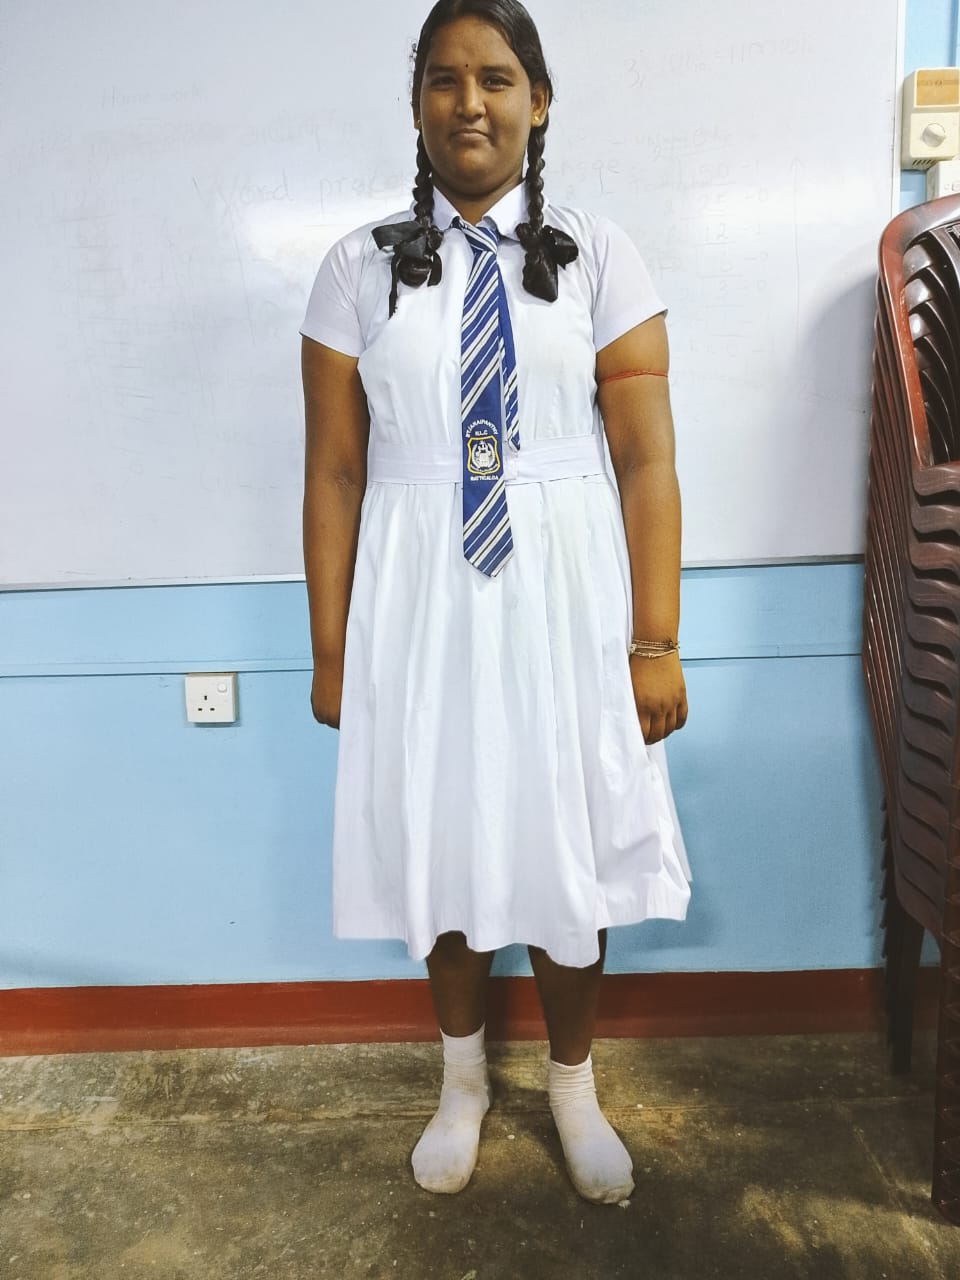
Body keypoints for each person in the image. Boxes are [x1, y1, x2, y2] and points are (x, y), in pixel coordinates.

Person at [301, 0, 690, 1205]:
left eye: (497, 77)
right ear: (416, 101)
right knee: (442, 827)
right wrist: (330, 649)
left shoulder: (600, 255)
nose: (469, 101)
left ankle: (574, 1087)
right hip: (420, 596)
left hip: (566, 594)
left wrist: (656, 637)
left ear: (539, 100)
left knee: (569, 835)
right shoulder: (356, 268)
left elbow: (646, 459)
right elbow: (335, 470)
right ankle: (462, 1082)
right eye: (444, 78)